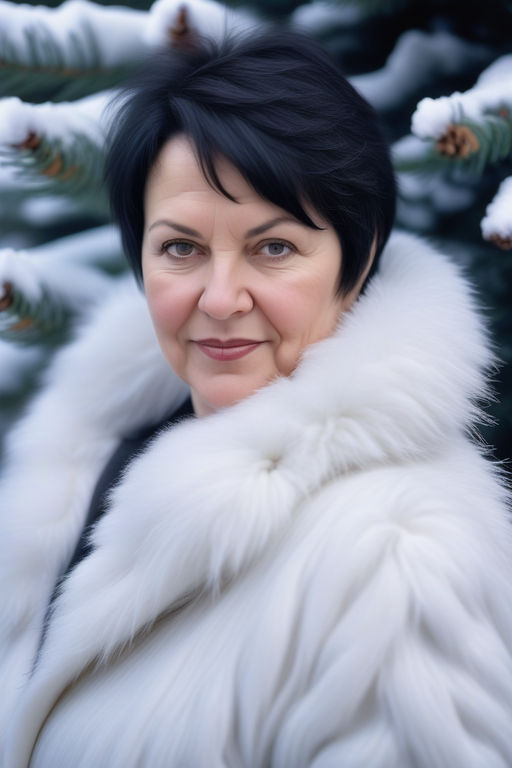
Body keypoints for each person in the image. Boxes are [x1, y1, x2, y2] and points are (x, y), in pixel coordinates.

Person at [1, 29, 512, 768]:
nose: (219, 297)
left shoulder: (401, 558)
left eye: (274, 247)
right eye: (179, 248)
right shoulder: (98, 458)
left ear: (356, 258)